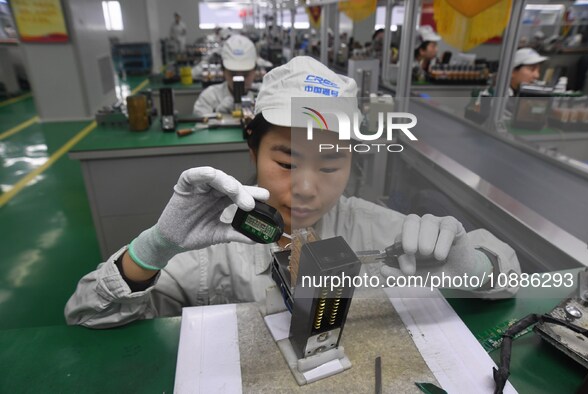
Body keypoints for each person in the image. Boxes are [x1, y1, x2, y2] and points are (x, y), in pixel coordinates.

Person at [65, 56, 521, 328]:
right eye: (285, 163)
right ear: (252, 150)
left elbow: (509, 286)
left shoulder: (384, 233)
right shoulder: (209, 246)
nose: (305, 188)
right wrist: (151, 251)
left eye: (329, 163)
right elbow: (85, 317)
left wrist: (477, 266)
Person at [192, 35, 257, 116]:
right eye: (233, 74)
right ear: (223, 71)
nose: (239, 80)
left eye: (245, 74)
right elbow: (199, 123)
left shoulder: (265, 95)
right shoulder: (209, 96)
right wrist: (217, 116)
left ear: (255, 71)